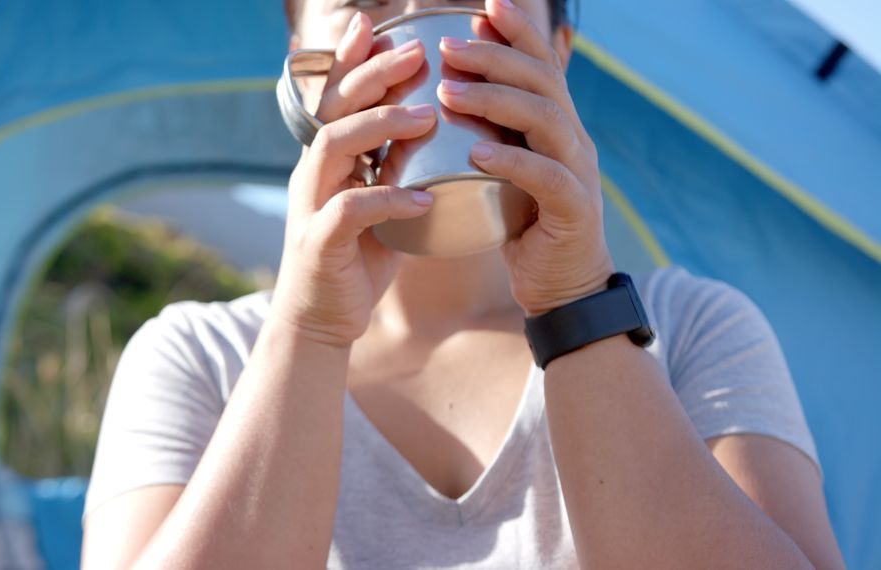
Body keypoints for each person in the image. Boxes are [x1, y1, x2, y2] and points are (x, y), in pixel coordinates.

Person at [80, 0, 845, 567]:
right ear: (302, 61)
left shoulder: (690, 329)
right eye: (368, 6)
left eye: (468, 7)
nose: (421, 42)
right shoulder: (197, 357)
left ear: (557, 53)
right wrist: (309, 333)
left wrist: (577, 304)